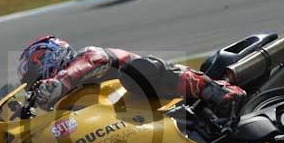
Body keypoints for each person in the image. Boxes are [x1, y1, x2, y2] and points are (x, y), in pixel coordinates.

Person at [17, 35, 246, 116]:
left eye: (34, 80)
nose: (34, 87)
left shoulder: (86, 57)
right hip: (137, 121)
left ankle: (217, 89)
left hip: (160, 96)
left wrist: (60, 81)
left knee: (137, 71)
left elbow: (96, 59)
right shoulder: (67, 103)